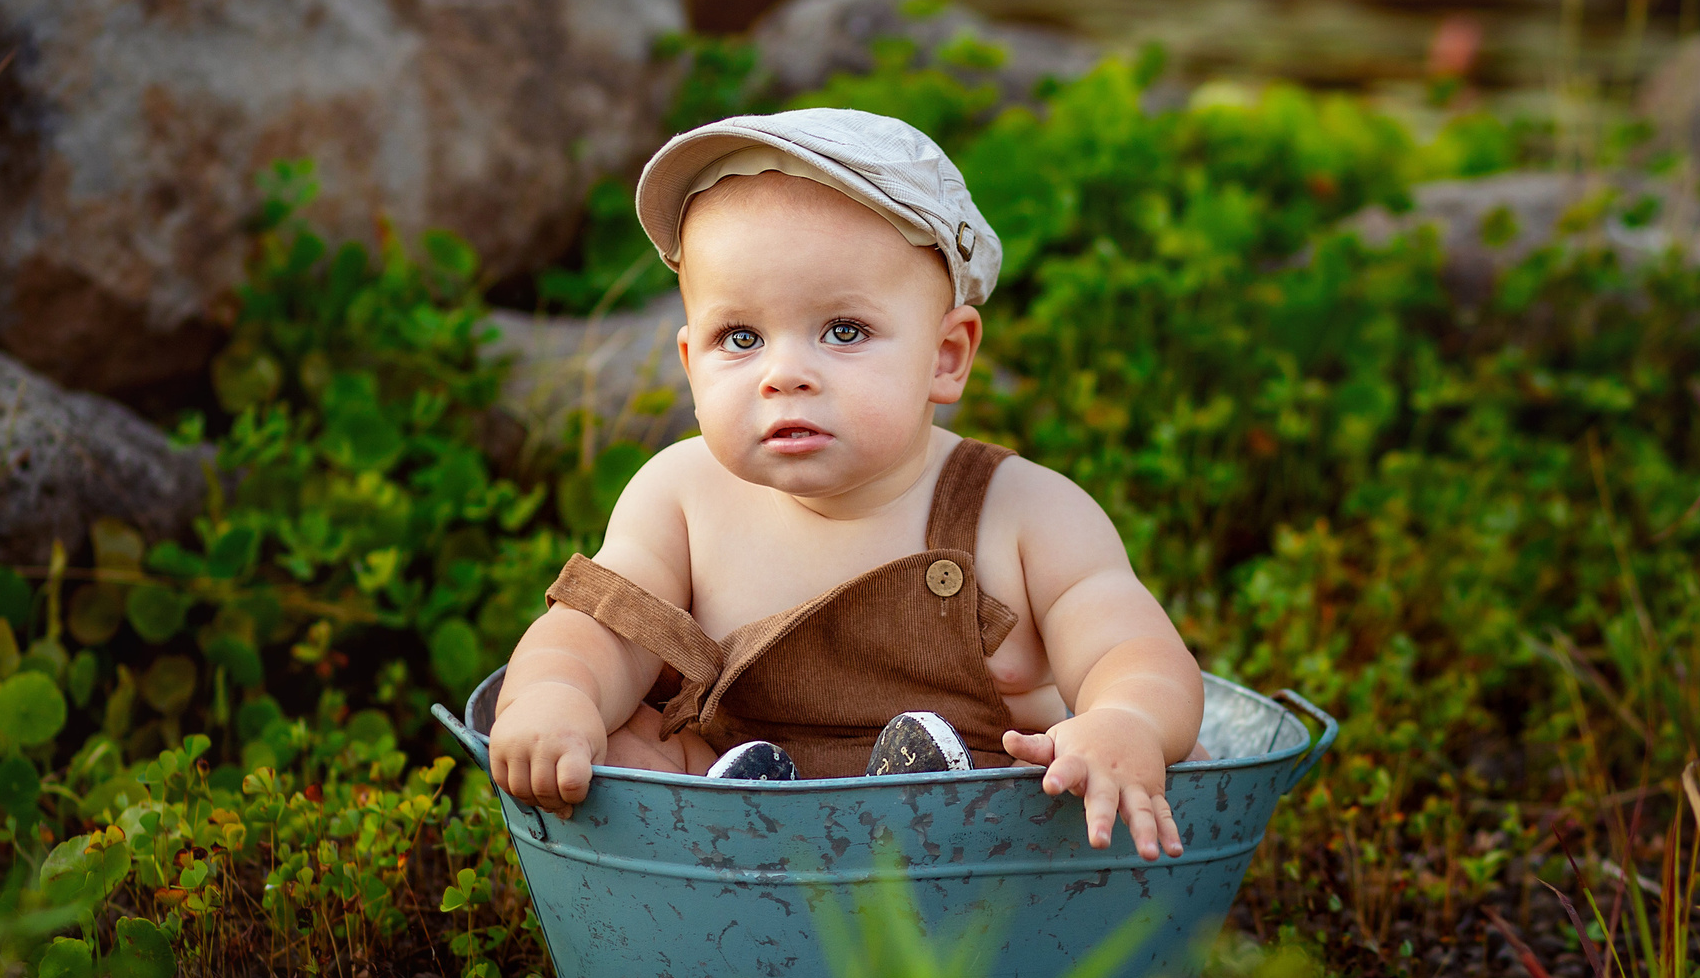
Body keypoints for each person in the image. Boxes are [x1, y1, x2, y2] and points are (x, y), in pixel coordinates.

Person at [486, 109, 1204, 860]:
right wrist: (556, 695)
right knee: (624, 738)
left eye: (844, 331)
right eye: (741, 338)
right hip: (725, 816)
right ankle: (750, 804)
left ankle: (917, 790)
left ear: (946, 356)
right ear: (691, 364)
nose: (784, 373)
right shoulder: (681, 496)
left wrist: (1126, 719)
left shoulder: (1026, 513)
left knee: (1104, 757)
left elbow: (1134, 649)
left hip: (984, 846)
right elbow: (596, 633)